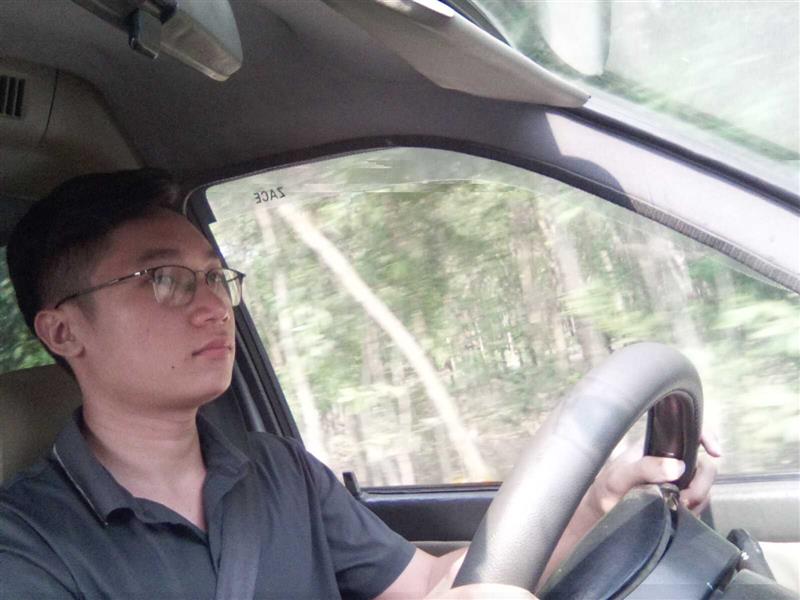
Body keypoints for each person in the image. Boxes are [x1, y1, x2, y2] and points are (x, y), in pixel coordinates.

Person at [0, 170, 718, 599]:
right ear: (64, 332)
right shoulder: (25, 540)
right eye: (164, 279)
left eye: (217, 277)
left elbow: (429, 588)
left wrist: (595, 501)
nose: (215, 305)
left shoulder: (277, 469)